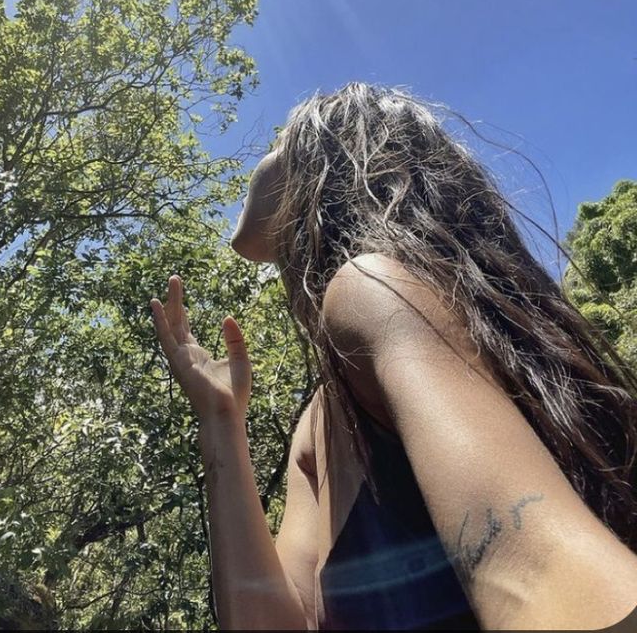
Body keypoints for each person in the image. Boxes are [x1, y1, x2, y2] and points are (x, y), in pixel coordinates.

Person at [150, 81, 637, 631]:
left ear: (323, 159)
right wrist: (220, 420)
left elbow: (538, 573)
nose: (261, 153)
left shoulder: (374, 291)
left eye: (278, 137)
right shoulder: (319, 419)